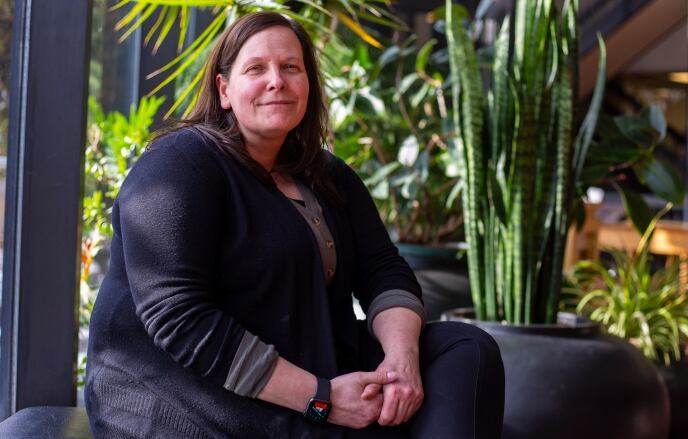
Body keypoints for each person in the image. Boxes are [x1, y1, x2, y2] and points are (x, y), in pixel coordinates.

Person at [85, 11, 504, 439]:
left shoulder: (326, 174)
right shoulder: (178, 167)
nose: (276, 81)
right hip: (190, 393)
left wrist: (400, 362)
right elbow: (179, 318)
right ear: (224, 90)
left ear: (308, 85)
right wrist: (321, 399)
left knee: (463, 348)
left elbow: (383, 268)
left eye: (290, 67)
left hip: (310, 359)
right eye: (256, 68)